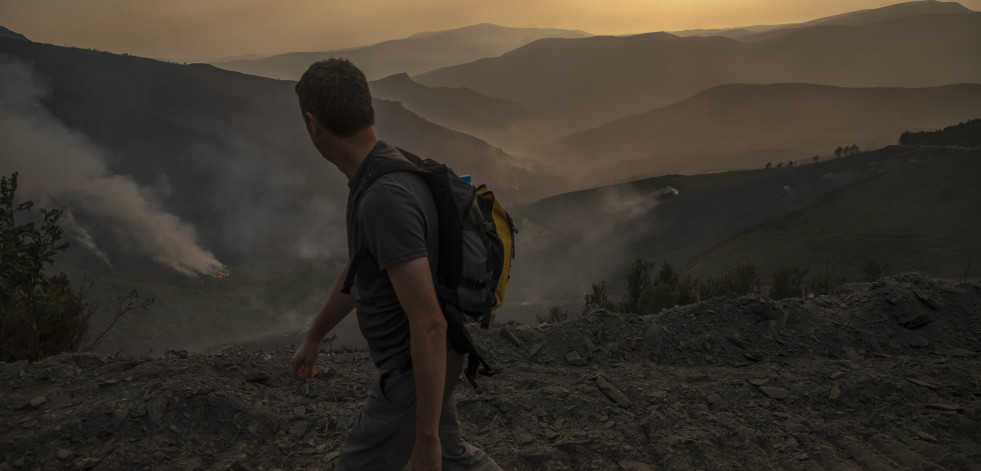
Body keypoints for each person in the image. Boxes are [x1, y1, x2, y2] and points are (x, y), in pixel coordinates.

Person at [289, 58, 501, 471]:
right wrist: (315, 336)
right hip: (431, 360)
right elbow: (362, 268)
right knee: (455, 457)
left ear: (314, 124)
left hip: (413, 368)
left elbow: (428, 322)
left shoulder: (384, 196)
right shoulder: (388, 166)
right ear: (369, 109)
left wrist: (424, 441)